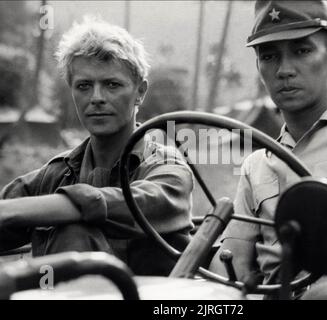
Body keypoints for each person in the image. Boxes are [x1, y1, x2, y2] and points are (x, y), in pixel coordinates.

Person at [210, 0, 327, 299]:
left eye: (302, 51)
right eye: (269, 56)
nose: (284, 70)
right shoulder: (257, 164)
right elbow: (231, 263)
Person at [0, 17, 194, 276]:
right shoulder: (56, 173)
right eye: (84, 86)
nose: (97, 98)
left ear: (140, 91)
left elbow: (127, 202)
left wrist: (13, 211)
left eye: (112, 85)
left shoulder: (168, 170)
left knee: (73, 230)